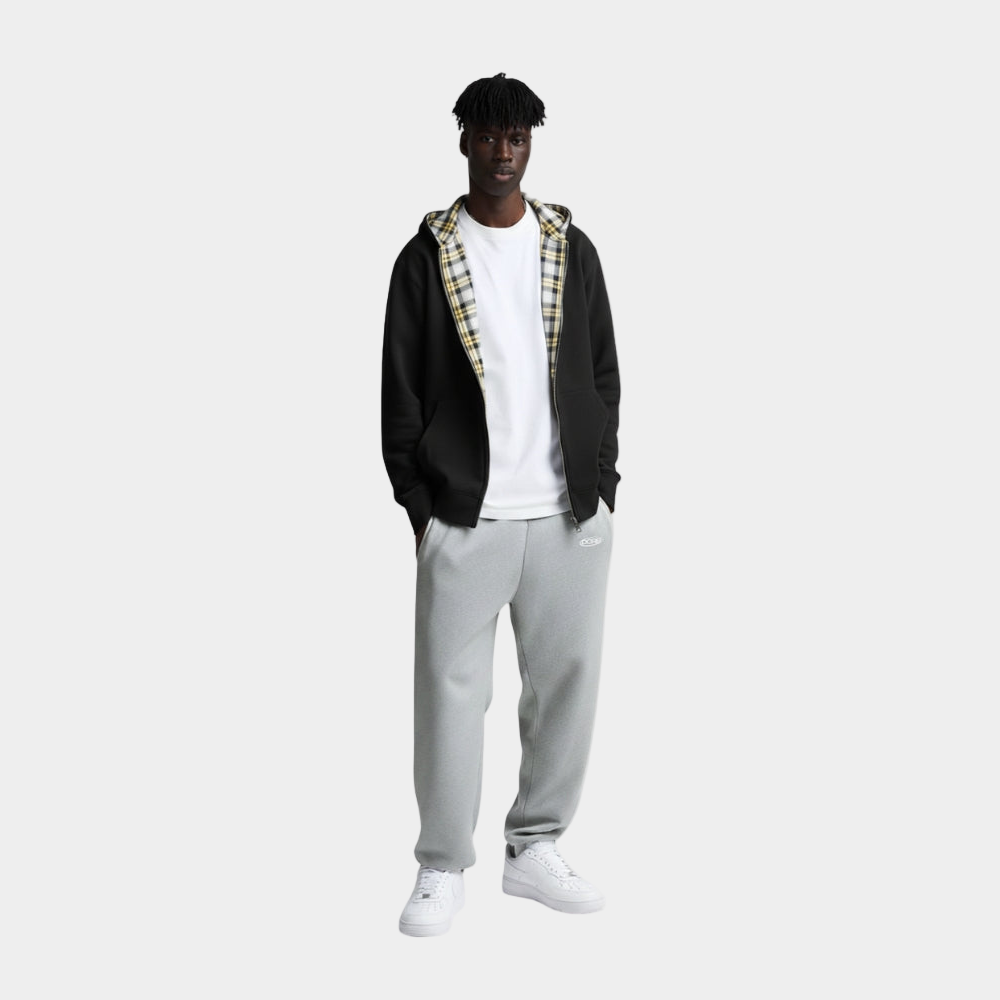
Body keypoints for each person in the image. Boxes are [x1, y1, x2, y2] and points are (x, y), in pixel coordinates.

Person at [381, 72, 621, 937]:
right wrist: (424, 508)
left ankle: (535, 847)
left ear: (530, 144)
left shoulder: (569, 246)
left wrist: (602, 487)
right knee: (450, 698)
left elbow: (603, 372)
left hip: (567, 515)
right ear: (464, 141)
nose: (501, 151)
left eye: (516, 136)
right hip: (464, 517)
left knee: (566, 690)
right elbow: (399, 393)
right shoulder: (428, 255)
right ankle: (443, 863)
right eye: (487, 135)